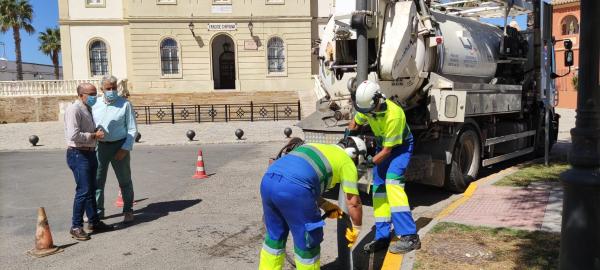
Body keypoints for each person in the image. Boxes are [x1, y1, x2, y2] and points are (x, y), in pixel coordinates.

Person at [259, 137, 366, 270]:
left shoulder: (317, 146)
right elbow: (353, 203)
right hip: (294, 189)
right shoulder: (347, 162)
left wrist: (326, 205)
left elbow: (303, 180)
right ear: (354, 154)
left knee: (274, 238)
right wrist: (357, 227)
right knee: (307, 243)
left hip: (268, 181)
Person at [348, 80, 420, 254]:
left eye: (369, 111)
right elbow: (355, 123)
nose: (368, 114)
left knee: (392, 184)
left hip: (400, 148)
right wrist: (347, 139)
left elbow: (388, 151)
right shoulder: (367, 107)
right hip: (383, 146)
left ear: (378, 100)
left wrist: (366, 164)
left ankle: (410, 236)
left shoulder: (394, 115)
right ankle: (382, 236)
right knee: (378, 190)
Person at [64, 83, 113, 240]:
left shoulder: (87, 108)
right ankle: (76, 226)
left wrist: (96, 132)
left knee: (92, 189)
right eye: (91, 94)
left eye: (95, 93)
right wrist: (93, 136)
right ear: (81, 95)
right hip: (78, 154)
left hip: (90, 153)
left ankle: (94, 222)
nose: (94, 96)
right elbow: (73, 135)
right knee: (83, 191)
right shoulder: (74, 109)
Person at [92, 75, 138, 226]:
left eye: (114, 88)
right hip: (100, 147)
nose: (111, 91)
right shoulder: (95, 104)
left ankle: (128, 210)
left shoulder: (125, 104)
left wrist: (125, 148)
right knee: (98, 181)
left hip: (119, 146)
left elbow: (132, 129)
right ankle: (98, 212)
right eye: (108, 88)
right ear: (102, 89)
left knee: (124, 181)